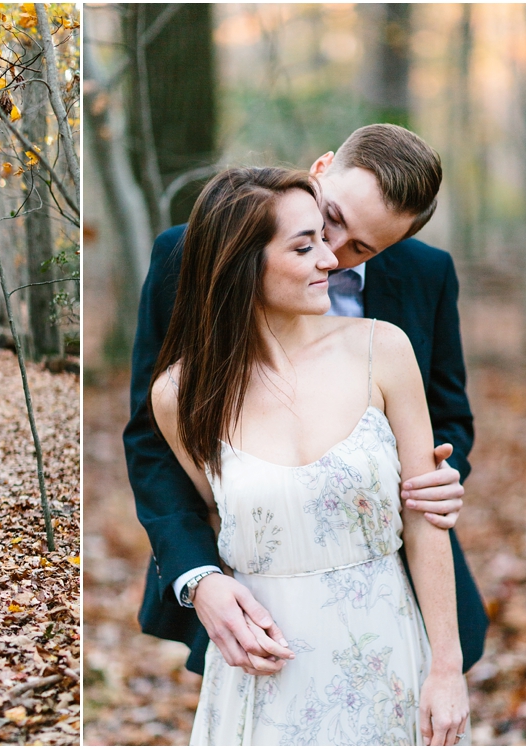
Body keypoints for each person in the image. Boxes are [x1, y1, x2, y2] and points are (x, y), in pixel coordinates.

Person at [123, 125, 488, 677]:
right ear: (319, 170)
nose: (333, 255)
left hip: (387, 570)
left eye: (363, 248)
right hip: (253, 584)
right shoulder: (187, 254)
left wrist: (440, 470)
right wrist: (198, 576)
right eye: (332, 219)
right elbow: (153, 435)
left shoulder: (425, 276)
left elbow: (449, 415)